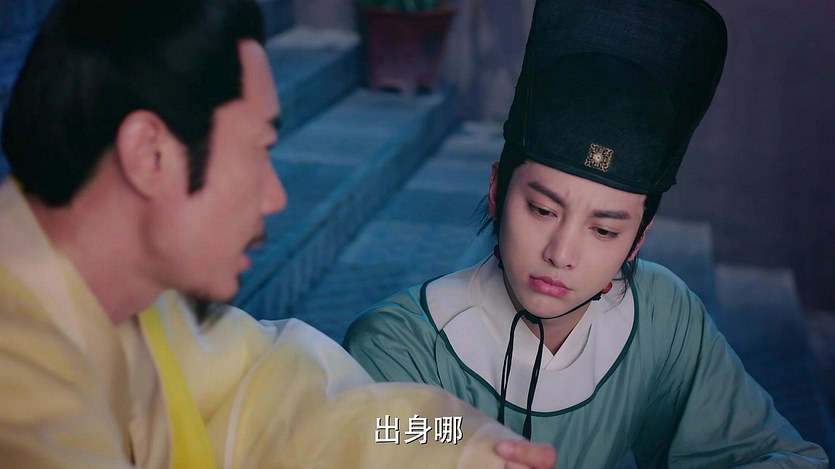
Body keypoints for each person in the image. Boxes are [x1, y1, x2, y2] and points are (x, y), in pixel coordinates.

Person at [0, 0, 558, 467]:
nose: (276, 197)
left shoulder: (150, 309)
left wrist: (468, 447)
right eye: (259, 150)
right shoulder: (19, 380)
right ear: (150, 154)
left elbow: (327, 412)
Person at [343, 0, 830, 467]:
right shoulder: (400, 344)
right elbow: (382, 434)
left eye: (604, 229)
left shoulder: (660, 316)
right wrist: (459, 444)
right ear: (496, 191)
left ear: (638, 238)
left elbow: (786, 457)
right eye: (541, 209)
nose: (562, 254)